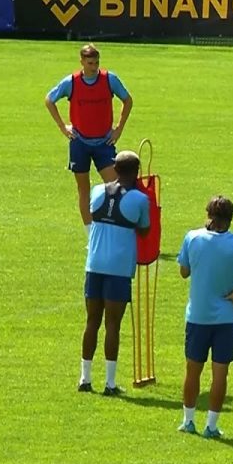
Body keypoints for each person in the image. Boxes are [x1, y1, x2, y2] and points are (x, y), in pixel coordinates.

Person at [176, 196, 233, 439]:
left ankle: (188, 421)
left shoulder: (192, 237)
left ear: (209, 215)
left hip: (197, 316)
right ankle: (211, 426)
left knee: (192, 371)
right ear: (230, 218)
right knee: (220, 374)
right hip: (226, 318)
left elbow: (184, 271)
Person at [78, 151, 150, 396]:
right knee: (112, 325)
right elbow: (144, 230)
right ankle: (110, 383)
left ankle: (85, 378)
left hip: (94, 264)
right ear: (136, 172)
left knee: (92, 321)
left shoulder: (97, 191)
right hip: (118, 269)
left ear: (115, 169)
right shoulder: (140, 199)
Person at [45, 44, 134, 237]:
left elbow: (128, 100)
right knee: (83, 189)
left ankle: (115, 229)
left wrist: (118, 128)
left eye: (96, 63)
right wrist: (63, 126)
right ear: (82, 62)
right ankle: (90, 236)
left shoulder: (109, 80)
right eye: (90, 63)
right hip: (79, 143)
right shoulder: (72, 82)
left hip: (104, 143)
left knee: (116, 187)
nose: (94, 67)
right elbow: (49, 100)